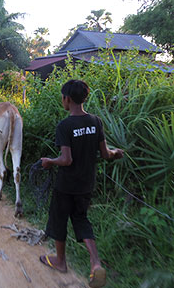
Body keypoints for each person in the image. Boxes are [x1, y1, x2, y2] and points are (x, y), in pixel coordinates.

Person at [39, 79, 123, 288]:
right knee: (81, 220)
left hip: (66, 185)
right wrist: (116, 153)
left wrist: (49, 161)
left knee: (59, 220)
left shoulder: (65, 125)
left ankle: (60, 261)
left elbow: (66, 160)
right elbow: (105, 154)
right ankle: (95, 264)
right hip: (86, 184)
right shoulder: (96, 121)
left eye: (62, 97)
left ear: (66, 99)